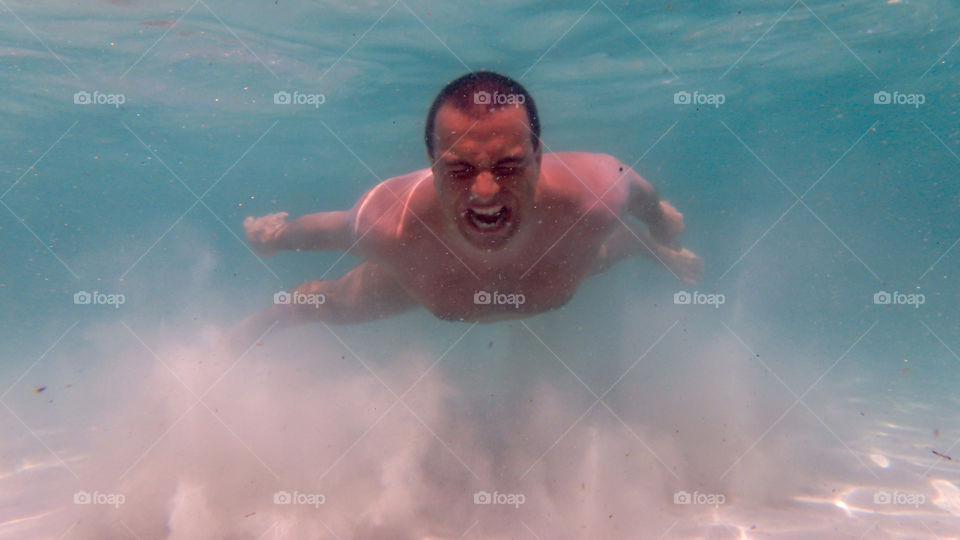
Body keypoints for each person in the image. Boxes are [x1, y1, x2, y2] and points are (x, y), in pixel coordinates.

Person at [241, 71, 702, 329]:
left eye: (508, 165)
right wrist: (275, 238)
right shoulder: (391, 227)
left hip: (563, 252)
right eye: (459, 169)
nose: (484, 192)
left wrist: (661, 225)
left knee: (608, 244)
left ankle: (654, 254)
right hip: (417, 280)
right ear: (432, 163)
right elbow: (331, 229)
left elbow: (642, 197)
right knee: (326, 307)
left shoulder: (592, 197)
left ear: (539, 157)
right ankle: (252, 331)